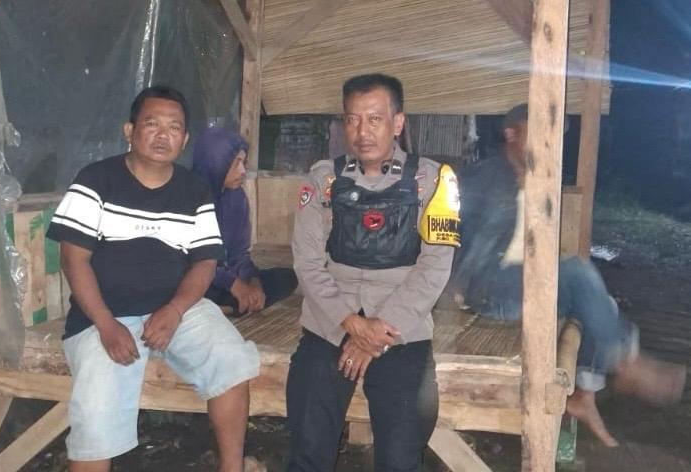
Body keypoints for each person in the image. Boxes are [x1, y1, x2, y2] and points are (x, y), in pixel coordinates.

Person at [445, 103, 686, 447]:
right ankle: (627, 364)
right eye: (538, 132)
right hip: (488, 288)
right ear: (511, 134)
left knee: (600, 304)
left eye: (552, 135)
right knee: (576, 272)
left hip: (522, 285)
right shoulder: (483, 178)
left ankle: (584, 395)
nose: (548, 142)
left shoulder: (538, 178)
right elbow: (451, 230)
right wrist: (456, 285)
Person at [46, 85, 259, 472]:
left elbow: (204, 263)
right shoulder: (95, 181)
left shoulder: (193, 190)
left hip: (177, 307)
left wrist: (175, 310)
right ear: (129, 130)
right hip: (103, 314)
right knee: (95, 410)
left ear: (185, 139)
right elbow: (73, 261)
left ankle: (233, 468)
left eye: (174, 127)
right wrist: (106, 324)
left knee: (231, 360)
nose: (163, 135)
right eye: (152, 124)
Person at [287, 73, 457, 471]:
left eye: (375, 119)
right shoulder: (323, 179)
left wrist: (376, 333)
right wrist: (351, 323)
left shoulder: (434, 181)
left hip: (402, 328)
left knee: (400, 454)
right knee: (308, 444)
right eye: (353, 119)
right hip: (330, 323)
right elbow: (307, 262)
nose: (362, 131)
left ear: (397, 123)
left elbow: (435, 267)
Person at [192, 127, 297, 317]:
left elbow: (240, 253)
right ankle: (227, 307)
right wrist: (234, 285)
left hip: (227, 280)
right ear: (216, 162)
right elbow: (194, 258)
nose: (242, 171)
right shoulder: (189, 196)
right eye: (236, 163)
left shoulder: (236, 197)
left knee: (287, 278)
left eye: (244, 162)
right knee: (186, 284)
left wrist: (253, 283)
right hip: (198, 278)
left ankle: (228, 307)